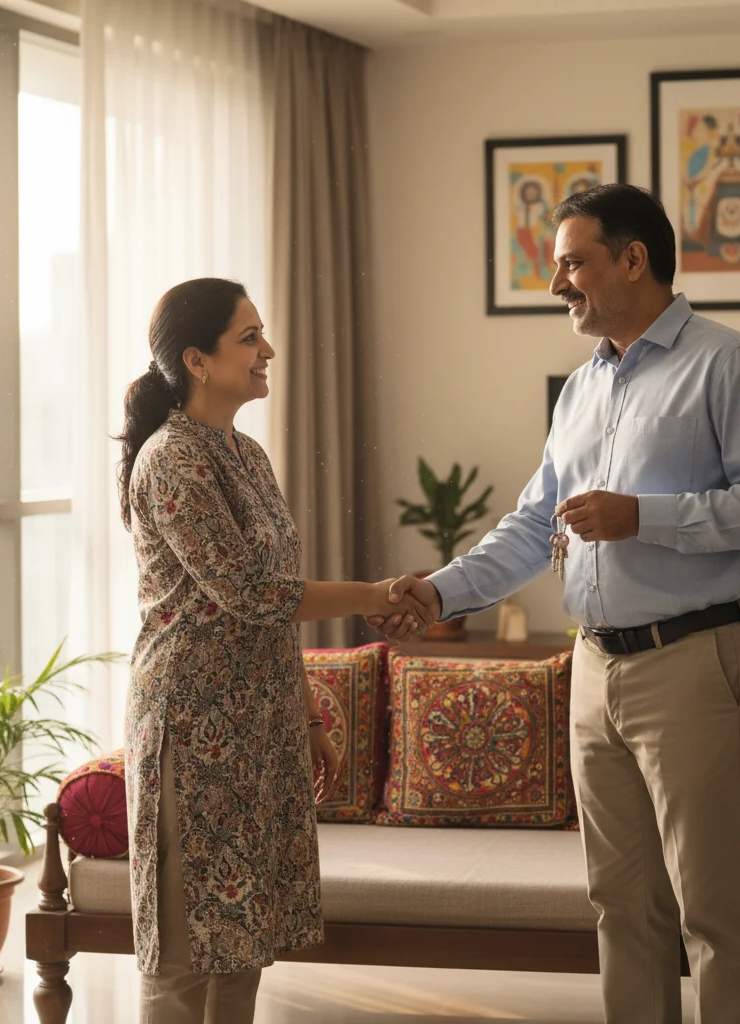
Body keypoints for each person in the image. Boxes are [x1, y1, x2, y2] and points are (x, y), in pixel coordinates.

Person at [373, 184, 740, 1024]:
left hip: (695, 662)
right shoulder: (579, 390)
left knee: (714, 911)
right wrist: (436, 592)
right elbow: (534, 525)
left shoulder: (728, 363)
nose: (556, 284)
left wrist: (643, 516)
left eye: (572, 261)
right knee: (621, 905)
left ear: (633, 259)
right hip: (593, 667)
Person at [118, 277, 432, 1024]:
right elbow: (252, 592)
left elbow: (274, 605)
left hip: (260, 729)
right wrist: (377, 593)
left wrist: (308, 718)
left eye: (262, 333)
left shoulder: (247, 454)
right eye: (248, 337)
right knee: (187, 954)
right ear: (197, 360)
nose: (268, 351)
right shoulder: (171, 460)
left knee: (244, 940)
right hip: (191, 731)